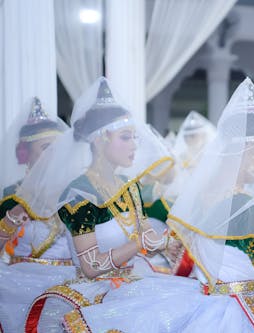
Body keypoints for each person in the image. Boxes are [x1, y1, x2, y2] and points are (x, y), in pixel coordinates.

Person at [52, 78, 254, 332]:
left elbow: (234, 248)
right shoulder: (247, 207)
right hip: (241, 312)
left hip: (209, 301)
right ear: (250, 154)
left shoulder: (208, 196)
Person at [20, 77, 179, 332]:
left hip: (135, 282)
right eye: (126, 137)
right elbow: (91, 266)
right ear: (99, 140)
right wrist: (138, 244)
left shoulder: (128, 185)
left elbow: (144, 236)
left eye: (134, 137)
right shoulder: (78, 194)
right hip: (96, 294)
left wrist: (166, 244)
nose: (134, 145)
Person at [0, 97, 76, 333]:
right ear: (25, 154)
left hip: (68, 286)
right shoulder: (12, 197)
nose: (54, 155)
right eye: (45, 148)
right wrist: (14, 216)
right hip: (21, 288)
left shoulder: (72, 194)